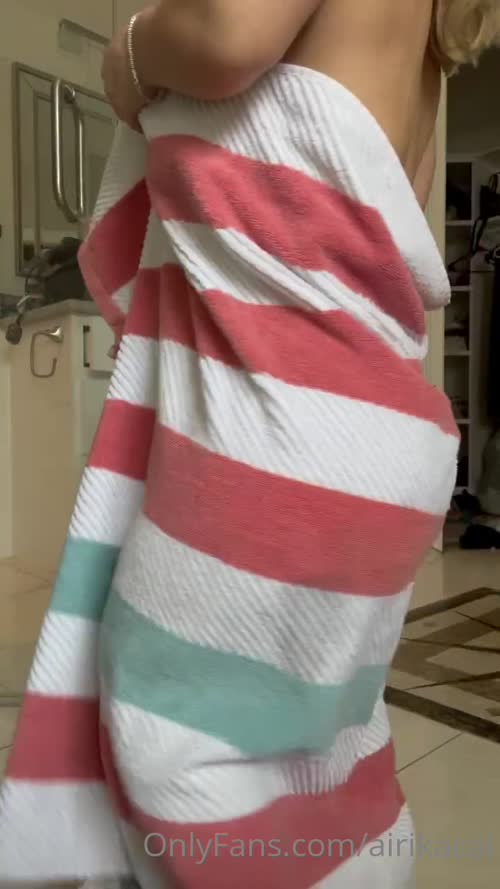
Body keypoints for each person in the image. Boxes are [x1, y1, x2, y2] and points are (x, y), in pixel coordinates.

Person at [1, 3, 500, 889]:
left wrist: (132, 52)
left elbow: (230, 34)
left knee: (174, 738)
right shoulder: (419, 50)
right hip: (383, 439)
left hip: (283, 425)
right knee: (317, 742)